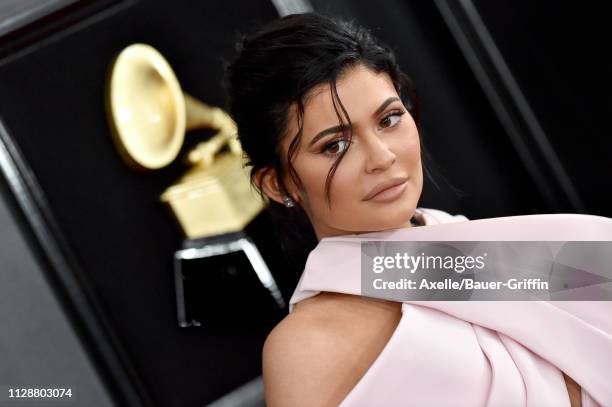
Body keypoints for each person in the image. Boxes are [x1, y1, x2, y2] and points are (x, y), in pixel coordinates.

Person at [224, 12, 610, 407]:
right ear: (277, 183)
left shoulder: (485, 251)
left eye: (389, 119)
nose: (381, 156)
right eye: (334, 145)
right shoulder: (307, 350)